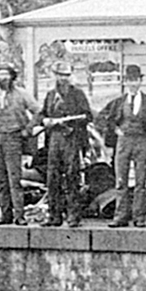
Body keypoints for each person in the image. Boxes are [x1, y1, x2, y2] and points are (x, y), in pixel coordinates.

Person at [0, 63, 40, 225]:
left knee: (14, 179)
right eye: (1, 75)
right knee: (1, 180)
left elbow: (38, 111)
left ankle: (19, 216)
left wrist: (28, 129)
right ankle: (6, 215)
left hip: (14, 139)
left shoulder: (22, 94)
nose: (4, 78)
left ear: (12, 77)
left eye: (7, 74)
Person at [102, 65, 146, 228]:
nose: (133, 84)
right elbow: (102, 118)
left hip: (142, 142)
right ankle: (120, 216)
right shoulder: (118, 102)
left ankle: (139, 217)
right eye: (130, 80)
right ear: (125, 82)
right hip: (123, 143)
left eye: (136, 80)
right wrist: (115, 130)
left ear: (140, 81)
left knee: (140, 181)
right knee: (121, 180)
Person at [37, 61, 92, 228]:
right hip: (54, 138)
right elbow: (42, 115)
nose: (64, 79)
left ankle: (73, 215)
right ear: (55, 76)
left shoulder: (78, 94)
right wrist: (45, 120)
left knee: (72, 176)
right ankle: (54, 215)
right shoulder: (50, 95)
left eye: (67, 75)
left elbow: (88, 116)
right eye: (61, 75)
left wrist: (72, 120)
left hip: (72, 138)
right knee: (52, 177)